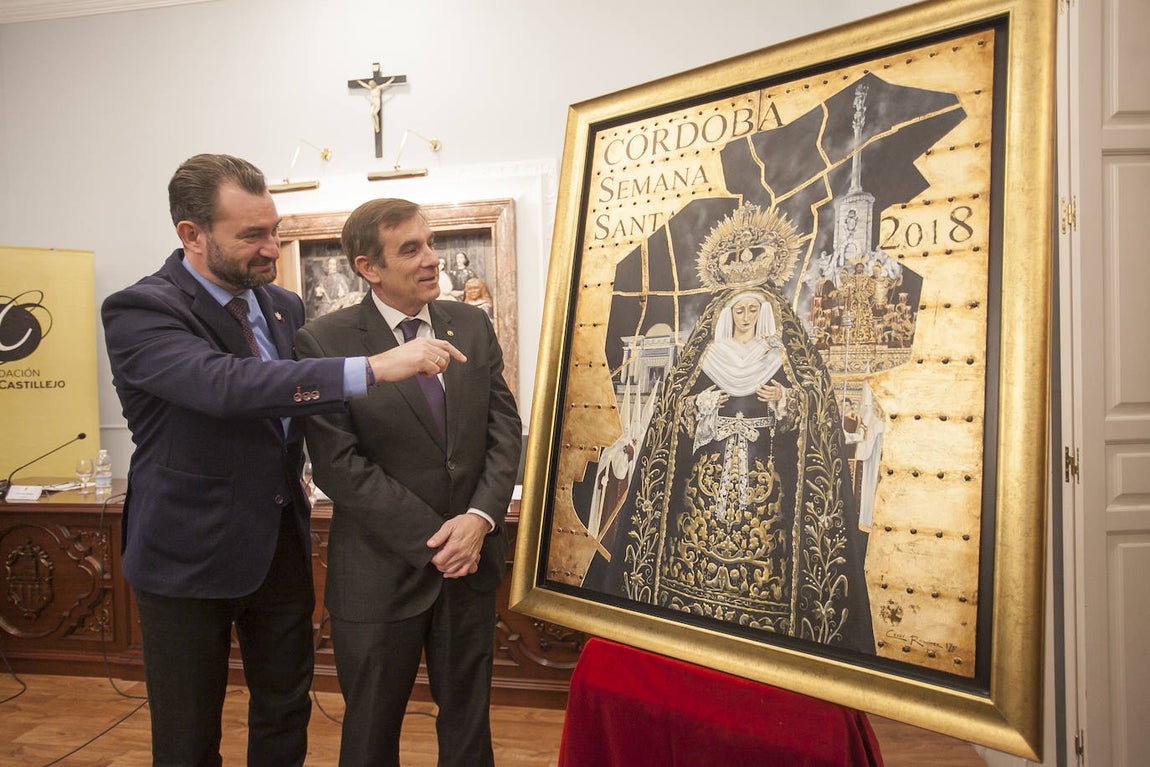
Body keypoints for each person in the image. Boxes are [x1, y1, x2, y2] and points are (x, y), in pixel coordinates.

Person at [101, 154, 464, 767]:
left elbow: (300, 411)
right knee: (188, 736)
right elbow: (226, 385)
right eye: (252, 235)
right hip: (187, 557)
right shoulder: (141, 309)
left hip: (278, 549)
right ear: (192, 234)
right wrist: (372, 368)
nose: (272, 248)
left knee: (285, 713)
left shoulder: (282, 306)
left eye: (274, 229)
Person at [294, 198, 521, 767]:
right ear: (368, 267)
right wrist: (440, 540)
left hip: (469, 569)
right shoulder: (324, 342)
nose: (432, 259)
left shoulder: (471, 323)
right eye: (411, 249)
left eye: (431, 243)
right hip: (379, 576)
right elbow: (339, 465)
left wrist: (479, 521)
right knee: (370, 735)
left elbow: (503, 431)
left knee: (468, 729)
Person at [596, 285, 874, 655]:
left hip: (764, 472)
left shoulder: (777, 354)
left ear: (763, 312)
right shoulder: (709, 354)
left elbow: (812, 406)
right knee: (699, 535)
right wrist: (702, 402)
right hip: (709, 474)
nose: (745, 318)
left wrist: (784, 398)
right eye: (739, 311)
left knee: (766, 538)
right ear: (728, 314)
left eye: (752, 310)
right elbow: (676, 409)